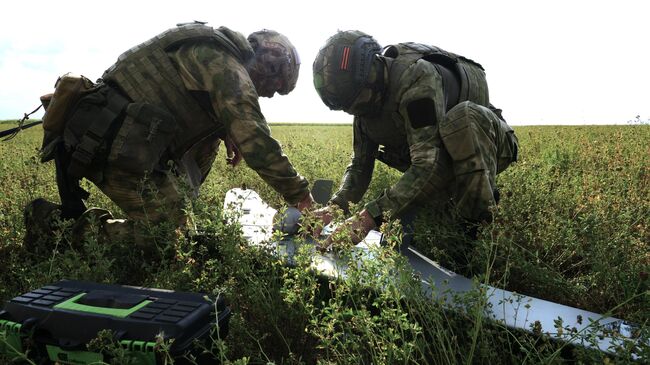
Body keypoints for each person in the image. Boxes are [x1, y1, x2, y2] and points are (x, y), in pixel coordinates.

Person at [24, 22, 314, 250]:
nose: (269, 94)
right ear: (270, 67)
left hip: (126, 139)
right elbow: (255, 138)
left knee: (181, 219)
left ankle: (175, 220)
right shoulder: (225, 67)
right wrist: (301, 198)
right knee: (166, 235)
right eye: (273, 87)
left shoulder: (214, 52)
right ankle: (51, 227)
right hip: (107, 142)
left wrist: (224, 129)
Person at [311, 30, 518, 250]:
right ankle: (447, 208)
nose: (354, 110)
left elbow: (430, 164)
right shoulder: (364, 106)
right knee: (423, 220)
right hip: (441, 153)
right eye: (347, 106)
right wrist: (334, 208)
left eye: (357, 99)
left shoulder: (415, 78)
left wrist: (369, 217)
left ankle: (472, 231)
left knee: (463, 119)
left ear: (372, 72)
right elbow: (360, 167)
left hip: (490, 142)